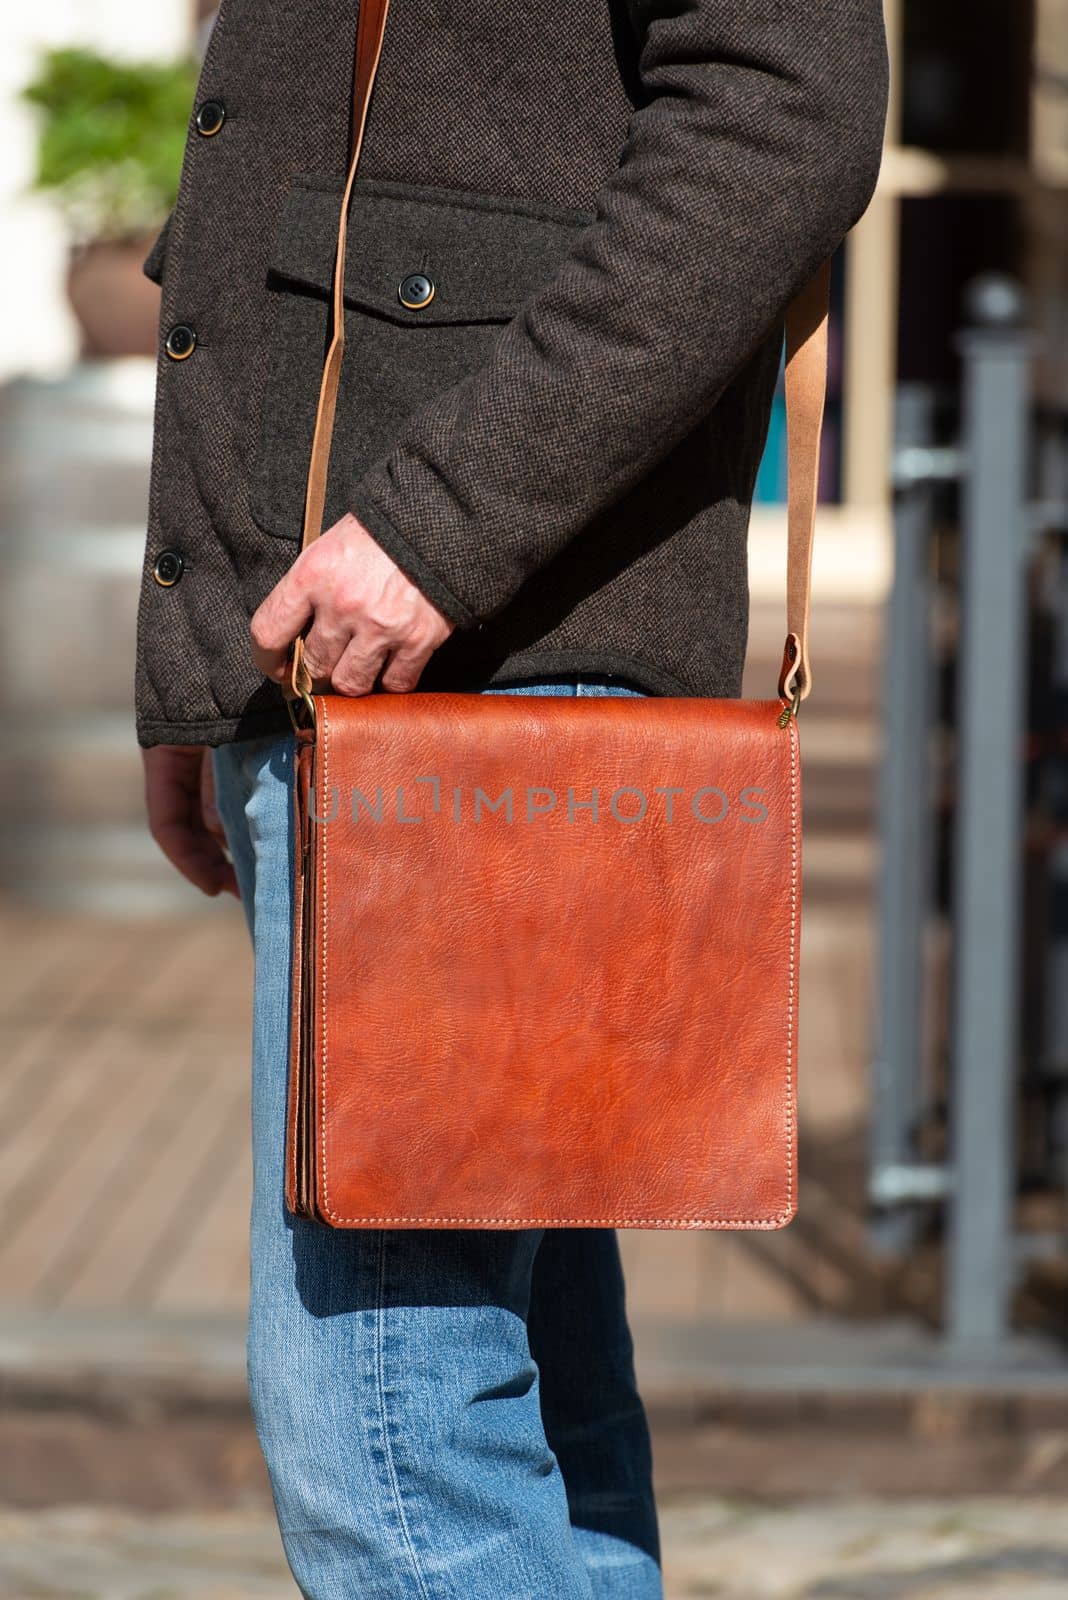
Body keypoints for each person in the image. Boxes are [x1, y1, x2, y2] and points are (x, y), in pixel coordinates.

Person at [138, 2, 888, 1593]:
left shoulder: (445, 555)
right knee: (525, 1403)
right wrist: (200, 654)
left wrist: (440, 527)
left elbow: (787, 102)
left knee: (392, 1442)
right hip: (366, 667)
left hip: (474, 664)